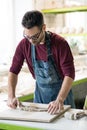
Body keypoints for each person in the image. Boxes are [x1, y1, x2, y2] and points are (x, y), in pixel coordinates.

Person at [7, 10, 75, 114]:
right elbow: (13, 71)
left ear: (43, 28)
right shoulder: (24, 44)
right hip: (40, 97)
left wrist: (59, 100)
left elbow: (69, 74)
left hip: (62, 98)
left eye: (34, 36)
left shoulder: (60, 44)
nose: (31, 41)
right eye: (27, 36)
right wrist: (11, 96)